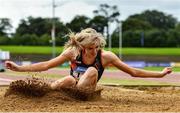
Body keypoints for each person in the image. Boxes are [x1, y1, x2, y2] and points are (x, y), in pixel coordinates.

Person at [5, 28, 172, 92]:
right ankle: (43, 91)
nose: (94, 51)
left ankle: (76, 90)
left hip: (85, 92)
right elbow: (47, 65)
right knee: (69, 78)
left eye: (96, 47)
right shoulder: (72, 52)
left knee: (92, 70)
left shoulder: (106, 56)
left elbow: (133, 72)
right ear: (82, 48)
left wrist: (161, 74)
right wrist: (18, 68)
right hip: (69, 86)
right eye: (90, 48)